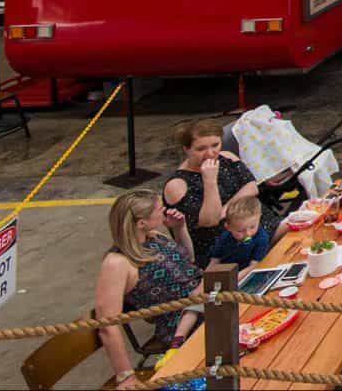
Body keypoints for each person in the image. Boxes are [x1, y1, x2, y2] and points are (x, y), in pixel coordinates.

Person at [96, 191, 202, 383]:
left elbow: (189, 260)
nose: (165, 210)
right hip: (181, 324)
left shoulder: (154, 236)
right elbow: (106, 325)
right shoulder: (116, 263)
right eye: (159, 209)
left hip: (203, 300)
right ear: (141, 223)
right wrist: (125, 375)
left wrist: (179, 229)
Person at [162, 118, 261, 266]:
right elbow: (211, 220)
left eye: (215, 145)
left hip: (251, 225)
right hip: (221, 246)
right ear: (187, 149)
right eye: (201, 149)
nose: (210, 153)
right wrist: (210, 181)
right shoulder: (177, 185)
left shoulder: (227, 157)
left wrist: (226, 210)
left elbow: (252, 187)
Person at [205, 195, 270, 272]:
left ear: (259, 218)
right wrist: (207, 277)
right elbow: (215, 260)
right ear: (228, 227)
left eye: (252, 227)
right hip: (225, 273)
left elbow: (254, 266)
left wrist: (235, 279)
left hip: (244, 274)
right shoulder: (224, 238)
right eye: (240, 231)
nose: (248, 233)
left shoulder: (261, 238)